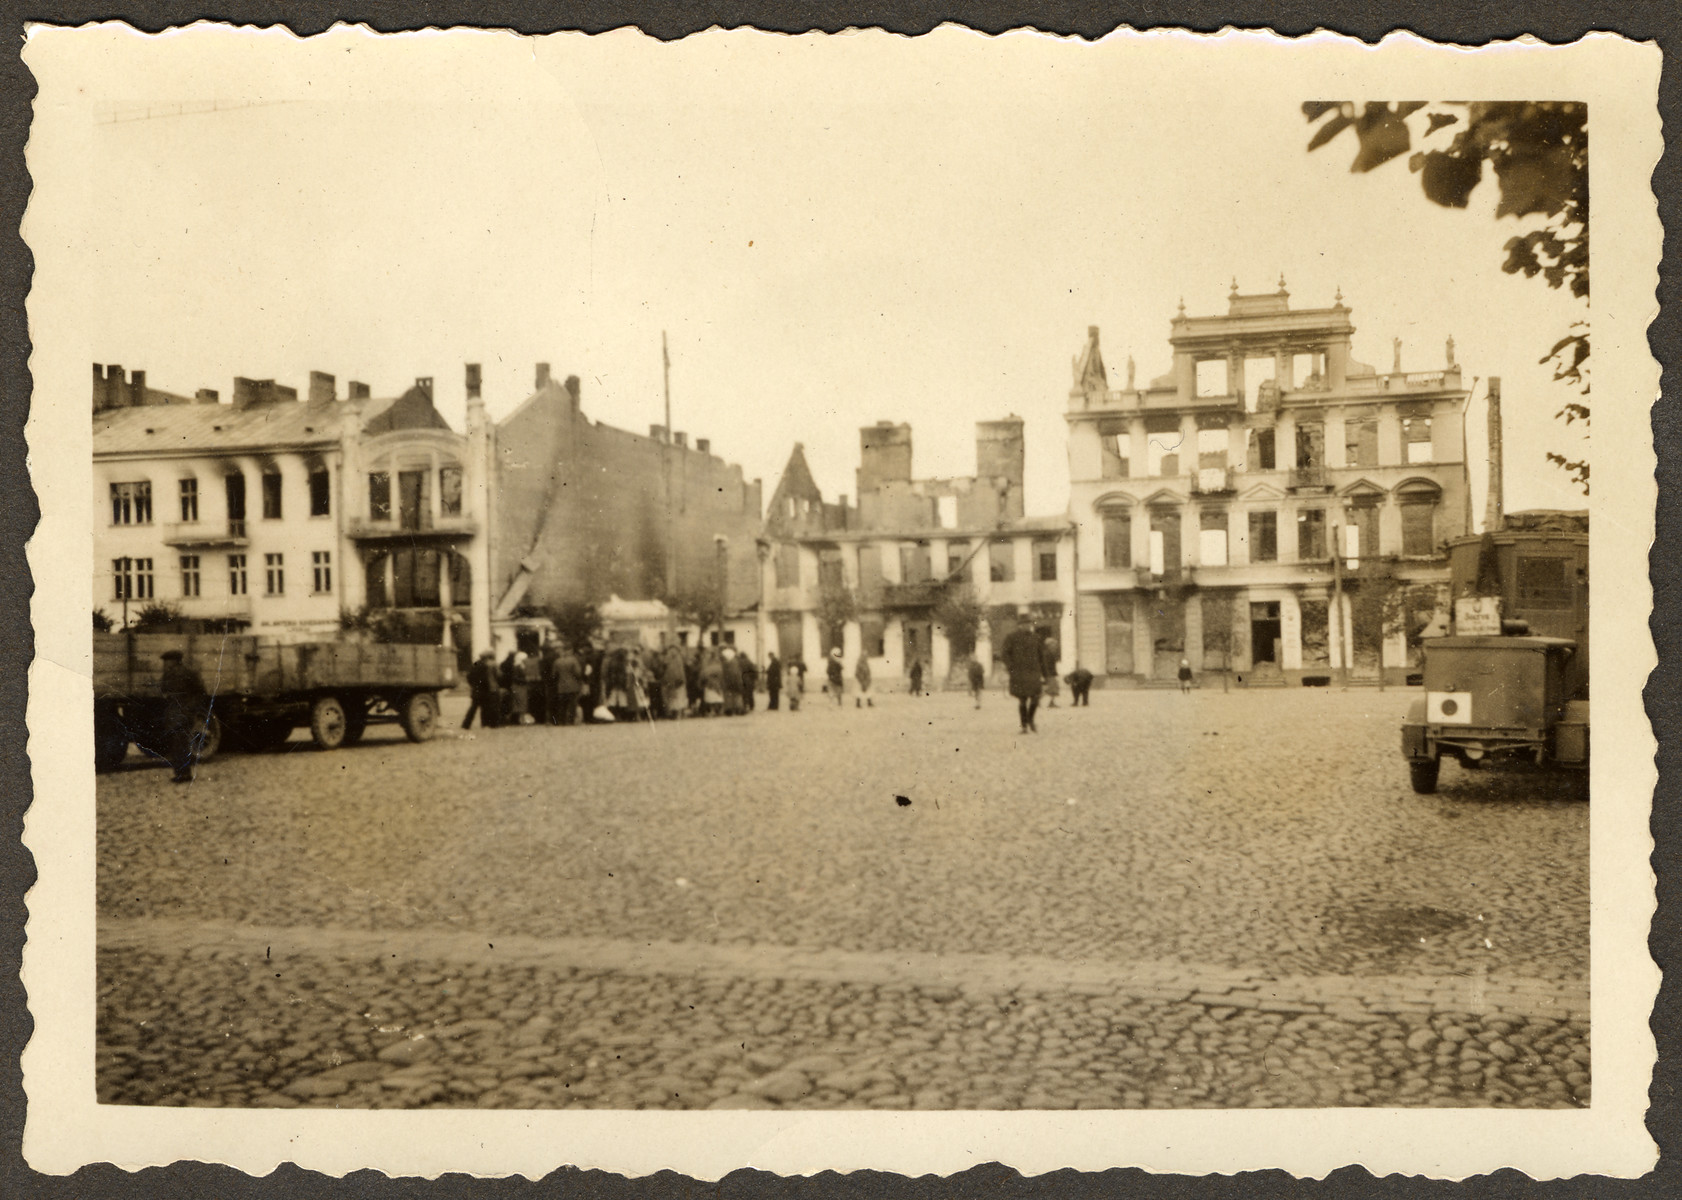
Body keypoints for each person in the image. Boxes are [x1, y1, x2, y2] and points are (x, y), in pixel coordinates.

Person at [158, 649, 210, 783]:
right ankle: (181, 773)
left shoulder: (187, 673)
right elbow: (163, 690)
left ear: (175, 661)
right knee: (177, 745)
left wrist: (190, 708)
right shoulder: (168, 674)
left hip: (184, 714)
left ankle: (184, 774)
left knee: (181, 744)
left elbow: (201, 693)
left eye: (167, 661)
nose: (165, 664)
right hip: (174, 714)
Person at [1000, 612, 1043, 733]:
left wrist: (1045, 674)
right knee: (1022, 700)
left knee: (1035, 698)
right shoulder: (1011, 637)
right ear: (1019, 625)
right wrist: (1011, 668)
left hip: (1034, 672)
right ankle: (1024, 726)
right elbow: (1004, 654)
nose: (1027, 625)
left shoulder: (1036, 638)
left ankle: (1031, 720)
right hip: (1018, 673)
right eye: (1025, 623)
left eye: (1029, 623)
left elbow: (1042, 657)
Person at [463, 650, 500, 729]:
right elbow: (486, 678)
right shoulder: (485, 666)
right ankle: (485, 724)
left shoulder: (475, 664)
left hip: (475, 689)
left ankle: (466, 724)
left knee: (473, 708)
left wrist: (472, 684)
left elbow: (469, 676)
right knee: (485, 708)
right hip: (484, 690)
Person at [551, 643, 582, 726]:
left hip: (561, 686)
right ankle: (570, 721)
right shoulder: (573, 660)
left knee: (562, 705)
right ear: (570, 651)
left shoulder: (557, 661)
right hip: (573, 685)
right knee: (572, 705)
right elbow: (578, 673)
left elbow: (553, 675)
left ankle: (561, 721)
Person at [662, 643, 687, 719]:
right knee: (673, 697)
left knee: (679, 696)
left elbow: (680, 671)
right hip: (671, 679)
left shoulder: (679, 658)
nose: (672, 651)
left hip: (678, 679)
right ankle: (675, 713)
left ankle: (679, 713)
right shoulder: (669, 658)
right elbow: (665, 665)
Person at [700, 648, 725, 716]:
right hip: (717, 682)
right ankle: (719, 710)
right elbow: (721, 672)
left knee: (711, 698)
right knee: (718, 697)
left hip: (710, 683)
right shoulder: (718, 662)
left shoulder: (708, 663)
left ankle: (712, 710)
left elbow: (705, 673)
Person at [721, 647, 744, 716]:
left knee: (730, 695)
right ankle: (738, 709)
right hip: (735, 681)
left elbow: (732, 673)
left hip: (730, 681)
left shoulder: (727, 663)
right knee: (736, 695)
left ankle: (730, 709)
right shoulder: (735, 662)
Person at [1040, 633, 1061, 707]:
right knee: (1051, 689)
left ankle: (1050, 702)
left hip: (1050, 674)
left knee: (1052, 689)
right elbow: (1045, 665)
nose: (1056, 646)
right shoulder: (1047, 654)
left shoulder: (1050, 653)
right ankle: (1038, 702)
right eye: (1054, 645)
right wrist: (1046, 674)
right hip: (1049, 674)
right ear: (1049, 645)